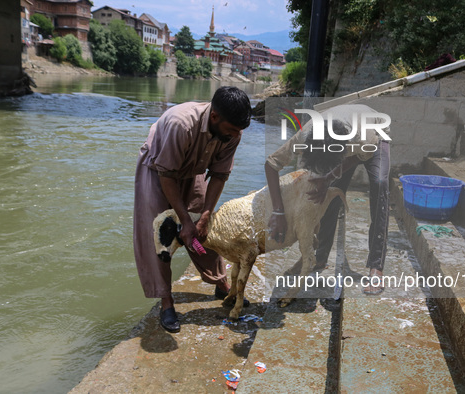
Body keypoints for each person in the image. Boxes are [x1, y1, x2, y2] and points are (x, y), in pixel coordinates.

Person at [133, 86, 252, 333]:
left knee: (205, 231)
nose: (234, 136)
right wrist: (184, 221)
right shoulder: (181, 124)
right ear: (215, 117)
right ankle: (166, 302)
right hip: (158, 171)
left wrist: (205, 214)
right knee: (161, 238)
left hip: (192, 169)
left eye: (238, 132)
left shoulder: (232, 133)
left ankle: (221, 284)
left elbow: (219, 175)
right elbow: (167, 176)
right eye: (231, 130)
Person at [265, 104, 391, 295]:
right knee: (329, 194)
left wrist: (329, 177)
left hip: (375, 135)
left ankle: (376, 268)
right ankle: (320, 257)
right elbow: (271, 164)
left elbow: (359, 156)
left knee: (380, 183)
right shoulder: (304, 136)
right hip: (342, 136)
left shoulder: (362, 138)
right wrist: (278, 211)